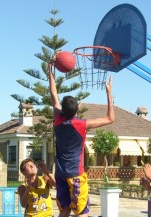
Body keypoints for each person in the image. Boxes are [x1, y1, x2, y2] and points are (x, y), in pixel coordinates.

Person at [48, 57, 115, 217]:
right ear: (78, 108)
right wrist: (109, 93)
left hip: (60, 173)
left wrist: (50, 71)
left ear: (63, 109)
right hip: (76, 174)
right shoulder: (81, 124)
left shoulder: (57, 119)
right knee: (82, 212)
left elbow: (53, 94)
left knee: (64, 210)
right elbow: (110, 118)